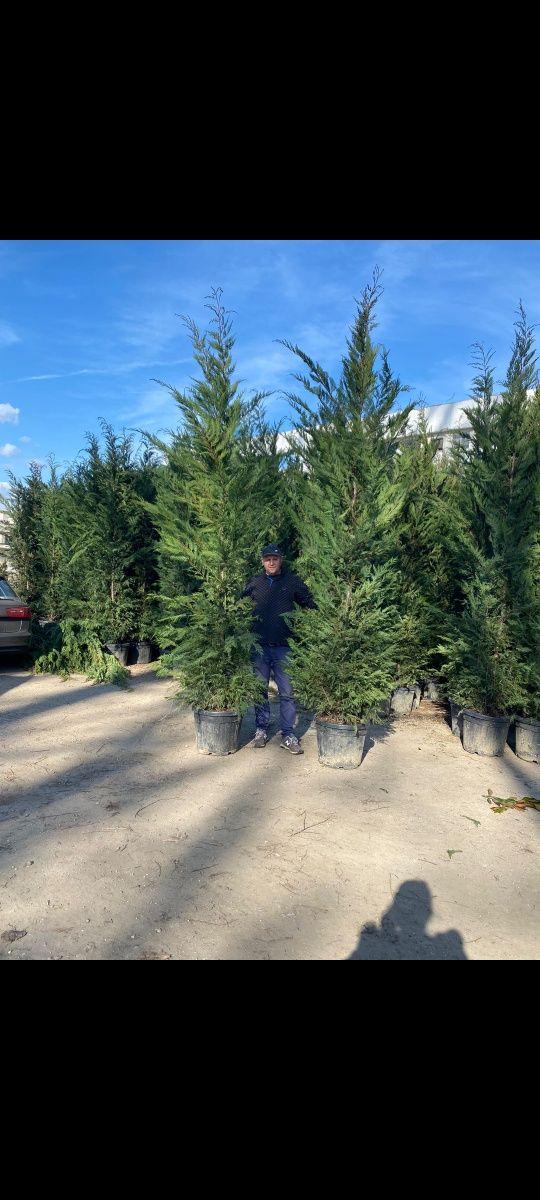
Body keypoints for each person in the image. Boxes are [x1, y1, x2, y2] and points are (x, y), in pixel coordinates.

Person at [242, 545, 314, 754]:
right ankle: (261, 729)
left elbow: (309, 603)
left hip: (285, 648)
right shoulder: (254, 583)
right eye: (267, 559)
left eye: (275, 558)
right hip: (260, 648)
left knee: (287, 693)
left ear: (281, 560)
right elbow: (240, 607)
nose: (271, 562)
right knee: (259, 691)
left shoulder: (292, 582)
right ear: (262, 561)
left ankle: (288, 734)